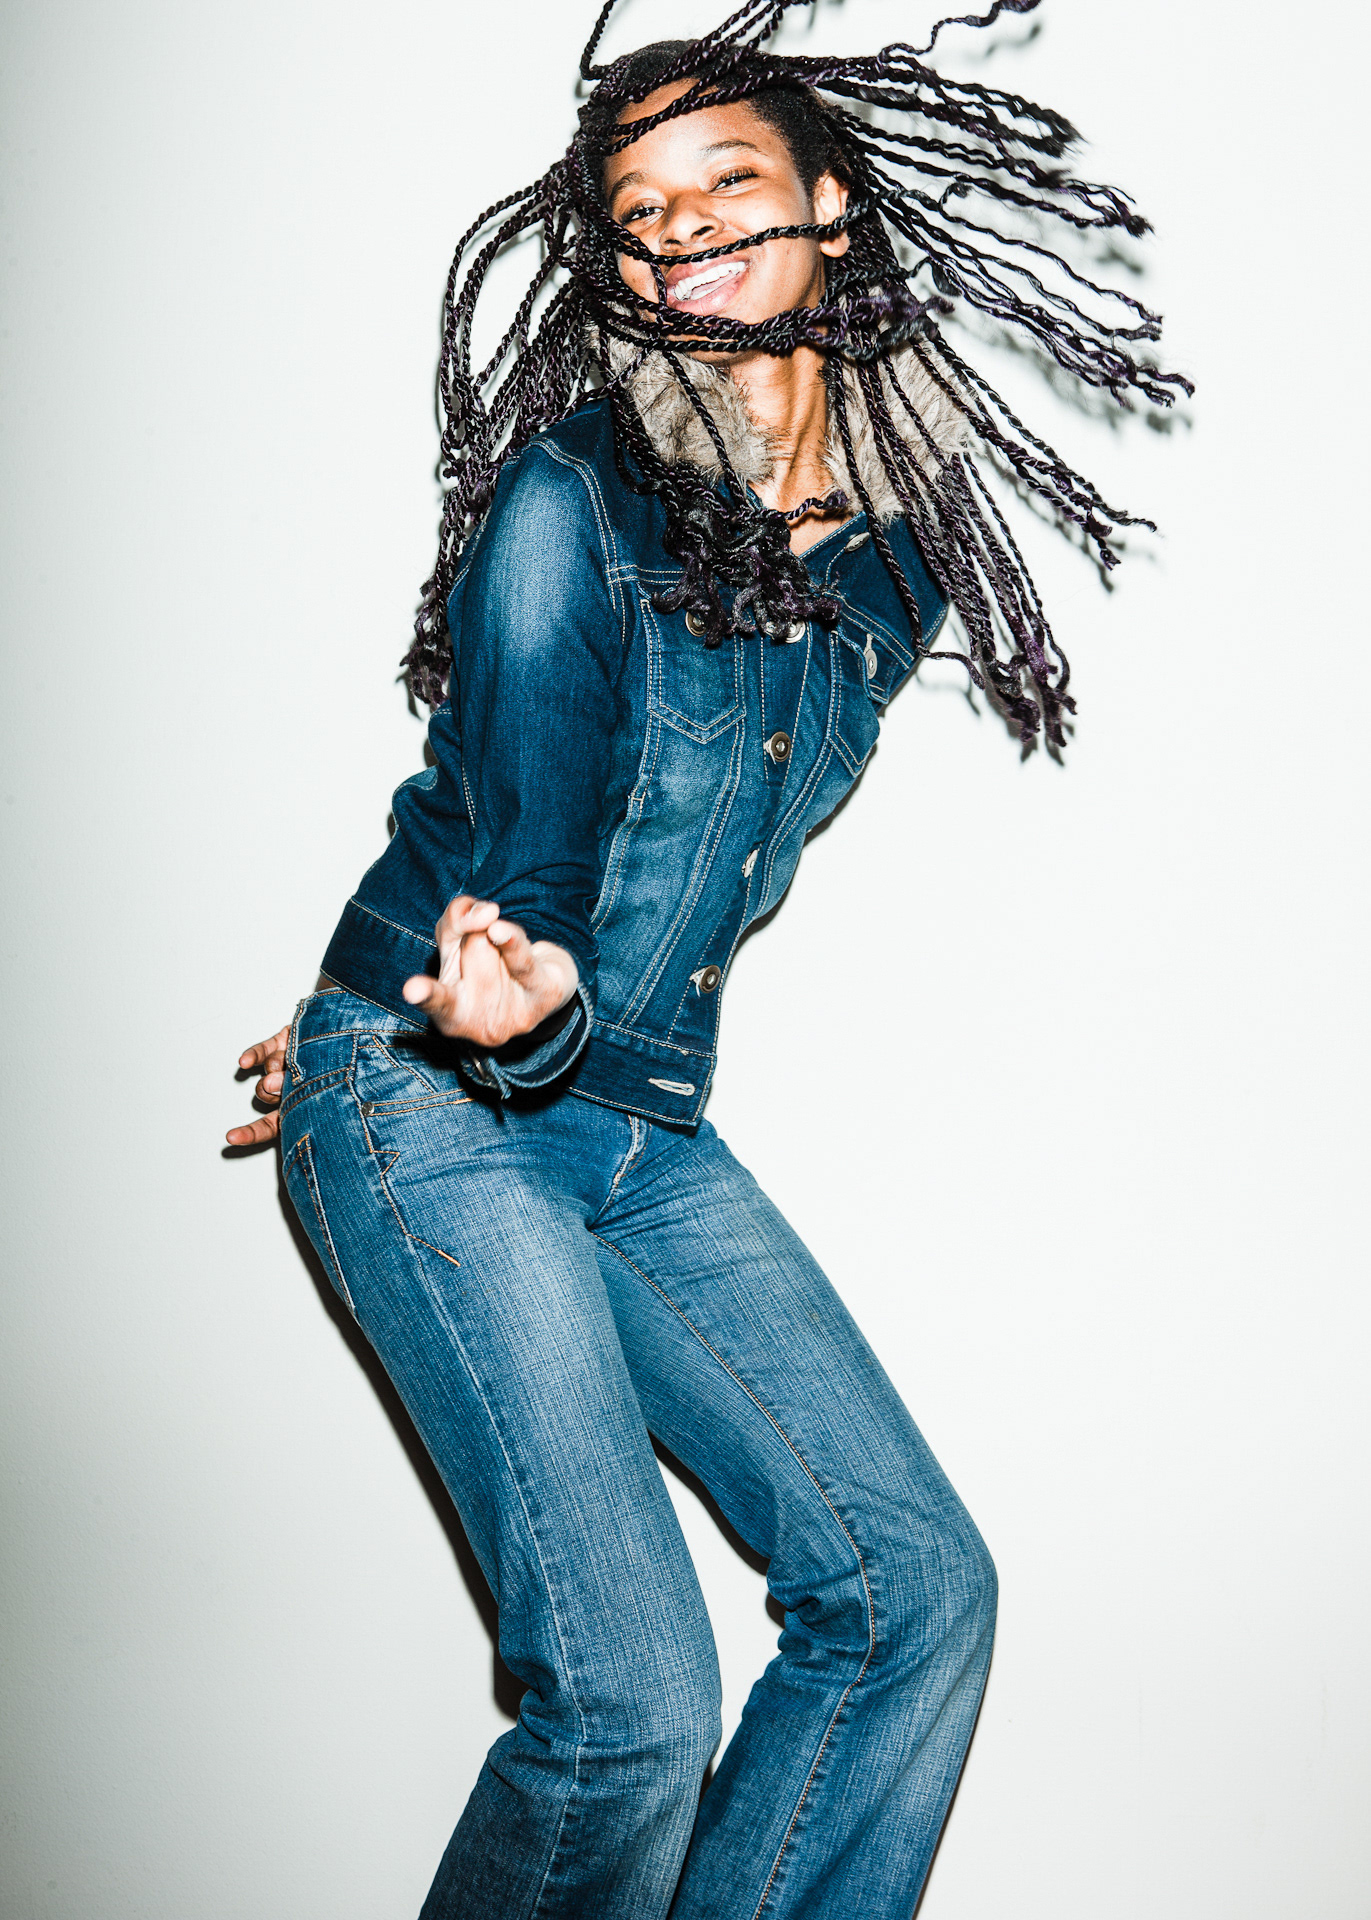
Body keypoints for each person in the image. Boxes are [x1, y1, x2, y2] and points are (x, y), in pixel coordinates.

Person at [229, 7, 1185, 1915]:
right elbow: (532, 836)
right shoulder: (572, 499)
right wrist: (445, 1010)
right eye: (640, 212)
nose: (678, 233)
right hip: (456, 1095)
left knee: (913, 1593)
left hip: (634, 1121)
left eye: (724, 182)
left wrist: (454, 1000)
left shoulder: (895, 558)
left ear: (830, 204)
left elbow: (687, 834)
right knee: (629, 1713)